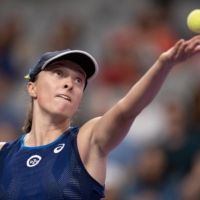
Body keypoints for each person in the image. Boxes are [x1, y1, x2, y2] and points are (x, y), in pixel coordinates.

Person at [0, 36, 200, 200]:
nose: (70, 83)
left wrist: (162, 65)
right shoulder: (4, 153)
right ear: (32, 87)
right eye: (59, 73)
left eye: (78, 80)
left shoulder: (86, 141)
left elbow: (125, 112)